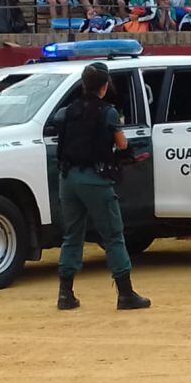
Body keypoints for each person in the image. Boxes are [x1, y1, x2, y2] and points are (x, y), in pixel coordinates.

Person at [53, 62, 150, 311]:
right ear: (104, 87)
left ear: (83, 84)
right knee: (114, 236)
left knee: (72, 235)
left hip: (68, 178)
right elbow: (123, 144)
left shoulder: (67, 111)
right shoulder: (108, 113)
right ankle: (126, 294)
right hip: (95, 179)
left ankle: (65, 294)